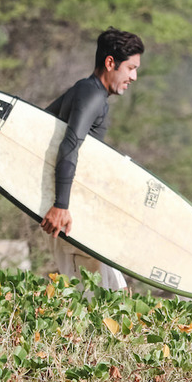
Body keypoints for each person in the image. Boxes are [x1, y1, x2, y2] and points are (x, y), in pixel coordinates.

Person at [39, 27, 144, 291]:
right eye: (130, 68)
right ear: (111, 62)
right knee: (100, 302)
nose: (133, 76)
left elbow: (38, 129)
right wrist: (60, 205)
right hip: (68, 215)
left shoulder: (83, 91)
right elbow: (69, 145)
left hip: (72, 213)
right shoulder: (92, 93)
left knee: (112, 296)